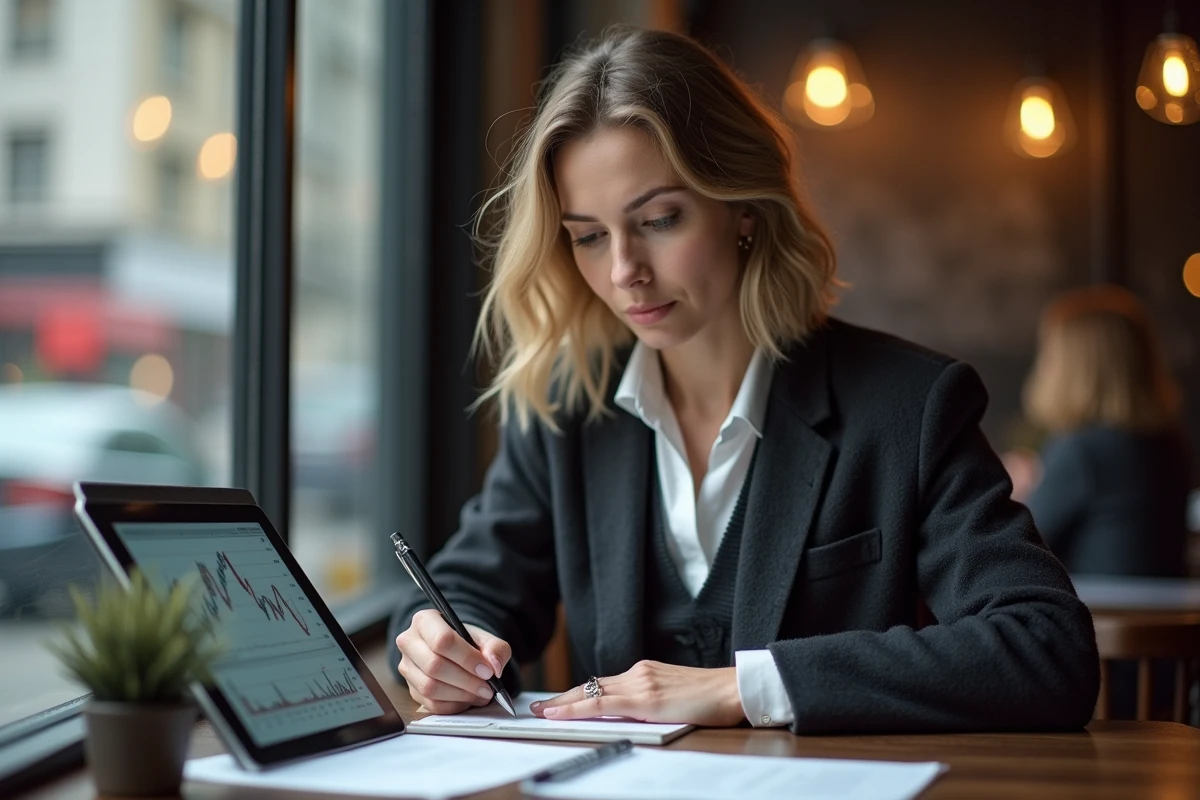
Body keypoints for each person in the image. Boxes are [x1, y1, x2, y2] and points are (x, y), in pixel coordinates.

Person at [389, 26, 1098, 734]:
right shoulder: (568, 409)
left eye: (660, 219)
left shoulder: (908, 408)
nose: (622, 271)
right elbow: (465, 589)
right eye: (589, 235)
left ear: (745, 209)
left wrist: (746, 688)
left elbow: (1047, 648)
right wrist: (441, 644)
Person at [1016, 285, 1191, 577]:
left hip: (1105, 614)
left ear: (1073, 368)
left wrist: (1016, 491)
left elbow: (1018, 546)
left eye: (1049, 355)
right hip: (1169, 616)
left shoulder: (1082, 450)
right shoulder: (1169, 443)